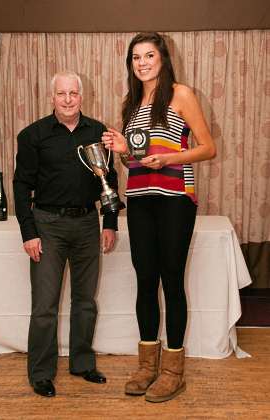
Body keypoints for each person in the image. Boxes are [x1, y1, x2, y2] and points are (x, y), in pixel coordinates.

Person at [102, 32, 216, 403]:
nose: (142, 63)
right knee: (145, 279)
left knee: (170, 278)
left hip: (174, 199)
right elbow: (133, 159)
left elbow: (208, 148)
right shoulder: (130, 103)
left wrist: (168, 159)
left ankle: (173, 372)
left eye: (149, 55)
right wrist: (122, 150)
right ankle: (147, 366)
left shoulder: (181, 94)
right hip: (139, 198)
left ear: (162, 59)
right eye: (135, 58)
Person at [13, 70, 119, 397]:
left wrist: (110, 222)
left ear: (82, 97)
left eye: (74, 93)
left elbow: (109, 178)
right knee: (45, 305)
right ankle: (41, 373)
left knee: (85, 301)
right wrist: (28, 233)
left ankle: (83, 363)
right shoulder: (33, 135)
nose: (69, 99)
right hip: (48, 226)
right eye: (62, 94)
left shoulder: (99, 132)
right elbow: (21, 186)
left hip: (88, 224)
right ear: (52, 97)